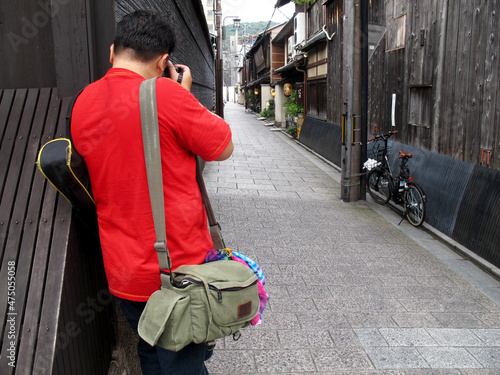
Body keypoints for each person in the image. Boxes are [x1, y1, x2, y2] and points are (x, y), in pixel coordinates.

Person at [71, 10, 233, 375]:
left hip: (123, 272)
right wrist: (182, 97)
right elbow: (223, 148)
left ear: (112, 52)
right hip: (177, 271)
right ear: (164, 62)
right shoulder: (168, 95)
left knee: (150, 350)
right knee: (184, 362)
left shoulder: (83, 101)